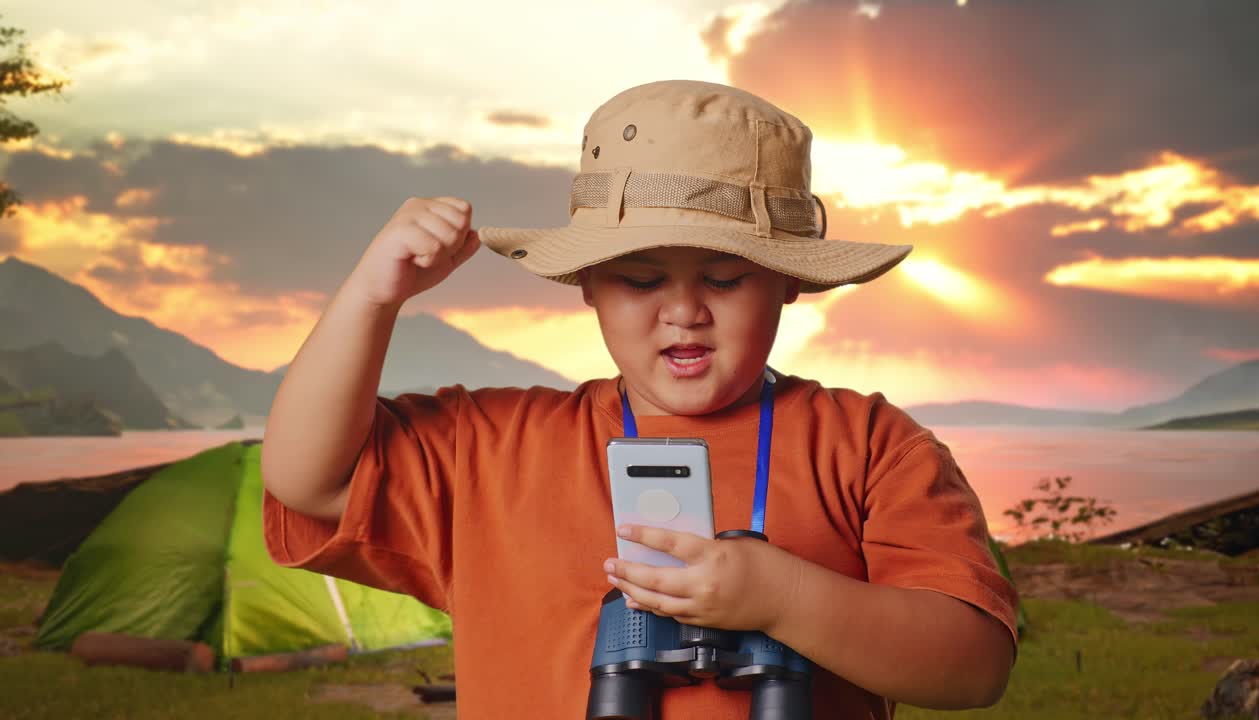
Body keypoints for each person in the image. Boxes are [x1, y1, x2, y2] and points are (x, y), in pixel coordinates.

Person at [261, 79, 1019, 719]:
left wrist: (783, 599)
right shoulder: (491, 446)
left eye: (725, 278)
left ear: (789, 281)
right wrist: (371, 297)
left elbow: (974, 664)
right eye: (643, 277)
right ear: (586, 283)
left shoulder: (870, 445)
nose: (685, 310)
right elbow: (307, 479)